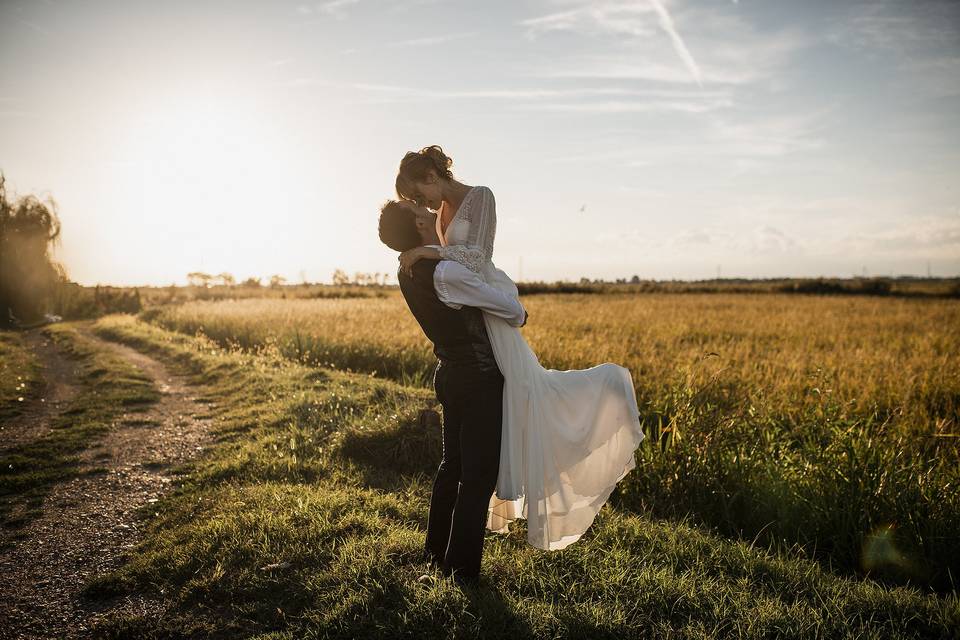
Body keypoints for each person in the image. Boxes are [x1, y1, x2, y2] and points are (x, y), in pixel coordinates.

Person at [394, 146, 646, 551]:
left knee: (525, 394)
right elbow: (453, 276)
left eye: (421, 196)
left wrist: (430, 250)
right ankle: (456, 561)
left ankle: (605, 389)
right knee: (481, 446)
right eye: (418, 204)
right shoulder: (437, 216)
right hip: (476, 315)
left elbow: (476, 259)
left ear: (430, 174)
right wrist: (432, 254)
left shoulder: (480, 197)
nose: (423, 206)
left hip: (483, 299)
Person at [378, 198, 528, 586]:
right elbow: (514, 312)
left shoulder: (407, 269)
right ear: (418, 224)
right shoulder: (447, 273)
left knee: (453, 468)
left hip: (448, 373)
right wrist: (515, 305)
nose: (429, 209)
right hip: (477, 379)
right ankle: (462, 571)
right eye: (418, 207)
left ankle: (434, 553)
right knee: (477, 477)